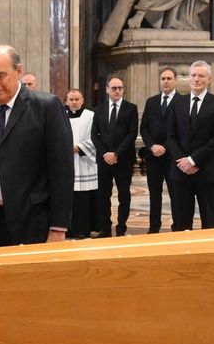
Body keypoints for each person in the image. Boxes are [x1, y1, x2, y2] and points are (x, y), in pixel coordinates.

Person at [0, 45, 73, 248]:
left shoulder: (46, 107)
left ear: (18, 71)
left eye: (0, 75)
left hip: (31, 223)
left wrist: (58, 228)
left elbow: (62, 171)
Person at [165, 60, 214, 230]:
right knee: (182, 221)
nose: (196, 79)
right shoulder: (177, 103)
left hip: (208, 170)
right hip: (181, 171)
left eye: (201, 76)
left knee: (210, 221)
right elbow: (170, 136)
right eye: (193, 75)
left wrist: (193, 160)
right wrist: (182, 161)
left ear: (209, 79)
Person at [91, 76, 139, 236]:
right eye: (114, 88)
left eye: (120, 88)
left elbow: (131, 134)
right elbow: (94, 135)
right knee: (103, 196)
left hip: (123, 159)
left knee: (124, 196)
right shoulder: (98, 110)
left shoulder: (131, 108)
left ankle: (121, 228)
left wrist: (116, 153)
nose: (117, 91)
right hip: (104, 160)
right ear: (107, 89)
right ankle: (105, 228)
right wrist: (105, 153)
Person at [140, 67, 177, 233]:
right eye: (163, 78)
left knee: (175, 194)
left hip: (172, 157)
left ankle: (178, 225)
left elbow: (181, 130)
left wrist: (166, 147)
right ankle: (154, 227)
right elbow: (144, 128)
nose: (166, 81)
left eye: (169, 78)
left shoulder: (182, 101)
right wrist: (152, 146)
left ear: (175, 80)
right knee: (154, 194)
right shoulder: (152, 101)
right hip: (153, 156)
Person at [66, 89, 97, 239]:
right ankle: (68, 228)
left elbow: (97, 136)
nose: (74, 102)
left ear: (82, 100)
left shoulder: (90, 116)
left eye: (77, 99)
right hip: (67, 162)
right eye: (71, 99)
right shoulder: (61, 116)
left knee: (83, 199)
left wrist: (80, 147)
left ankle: (83, 229)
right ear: (66, 101)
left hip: (85, 162)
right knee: (68, 198)